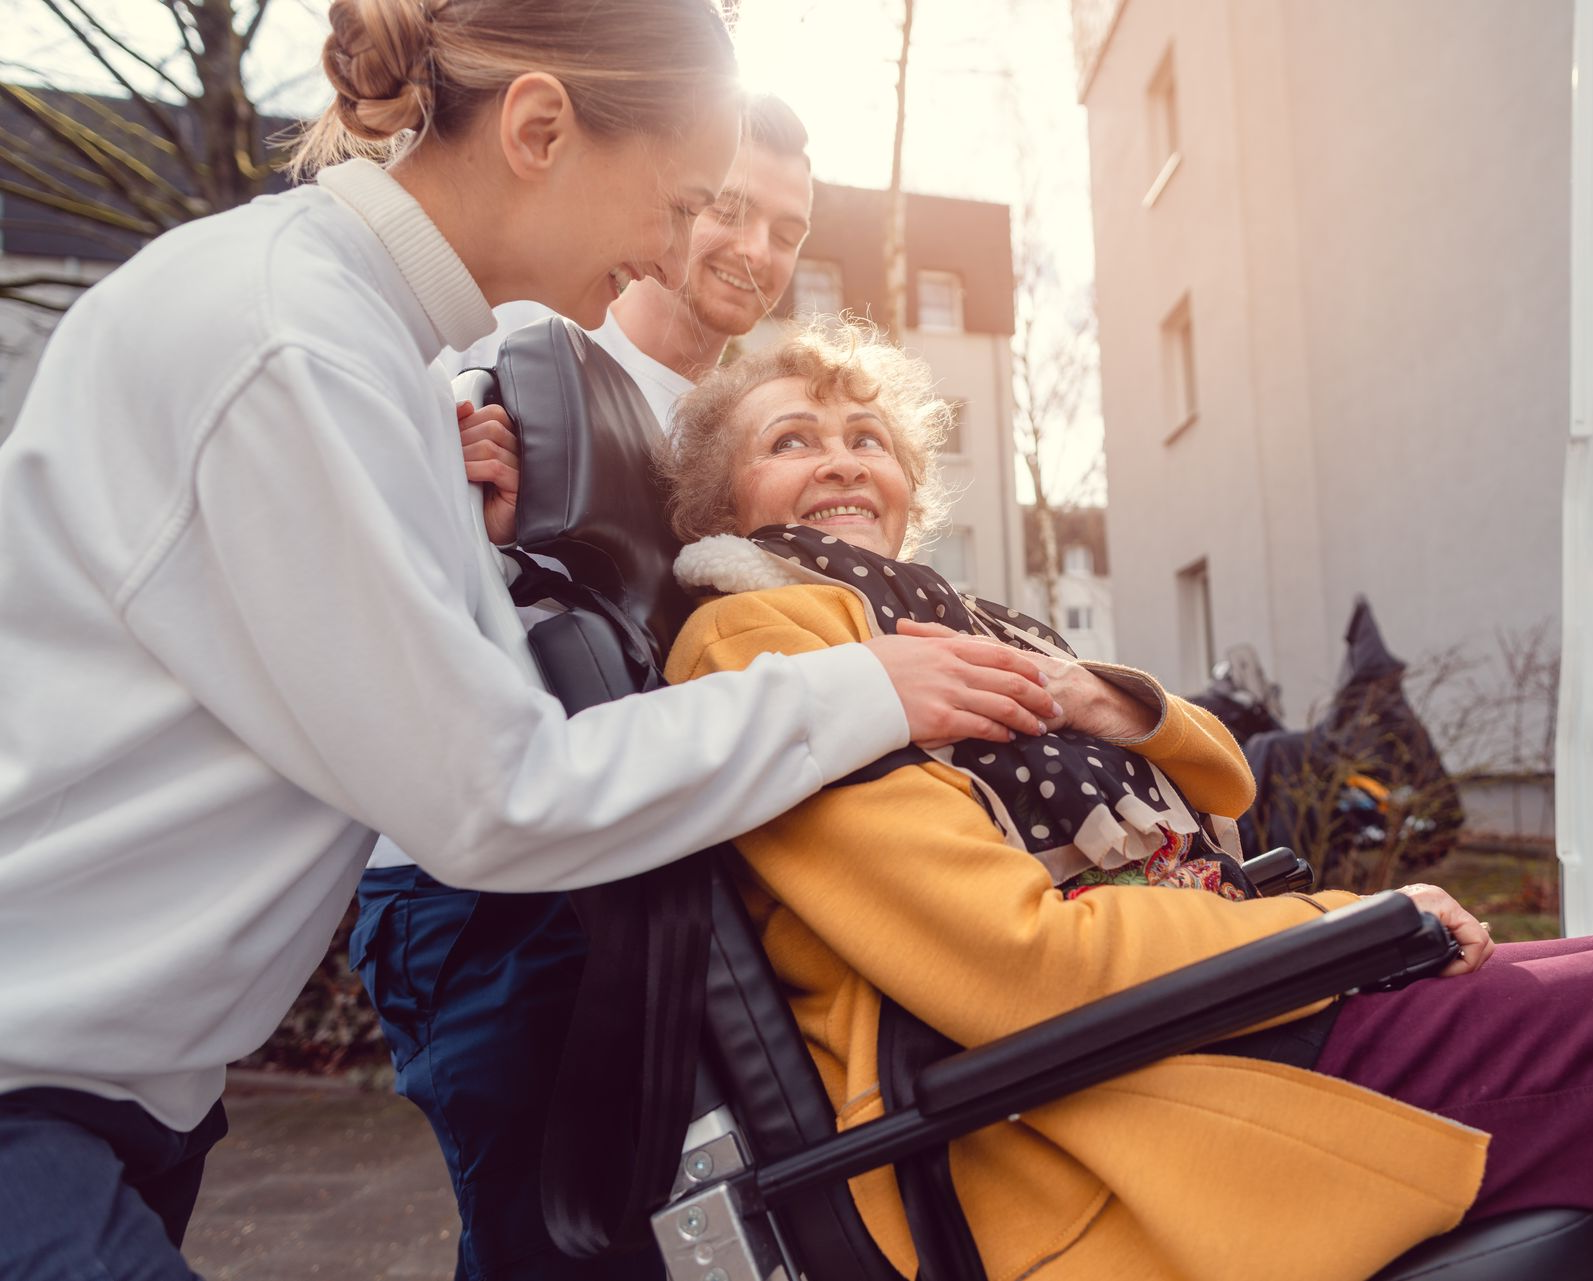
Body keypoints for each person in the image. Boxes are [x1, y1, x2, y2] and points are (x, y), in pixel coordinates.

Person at [0, 4, 1062, 1276]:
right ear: (540, 128)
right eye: (677, 205)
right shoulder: (293, 343)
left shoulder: (365, 351)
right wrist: (857, 687)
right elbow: (498, 793)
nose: (676, 250)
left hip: (122, 1084)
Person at [658, 322, 1593, 1281]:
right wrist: (1331, 937)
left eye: (866, 438)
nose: (841, 461)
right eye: (792, 440)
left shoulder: (949, 621)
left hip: (1198, 1023)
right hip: (1105, 1105)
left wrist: (1118, 705)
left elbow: (1226, 782)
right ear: (724, 500)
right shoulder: (772, 640)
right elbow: (1018, 961)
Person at [353, 93, 822, 1281]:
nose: (756, 252)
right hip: (481, 888)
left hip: (644, 866)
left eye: (789, 230)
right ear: (665, 194)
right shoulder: (520, 355)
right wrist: (456, 494)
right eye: (728, 209)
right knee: (540, 1243)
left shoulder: (739, 433)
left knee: (649, 1240)